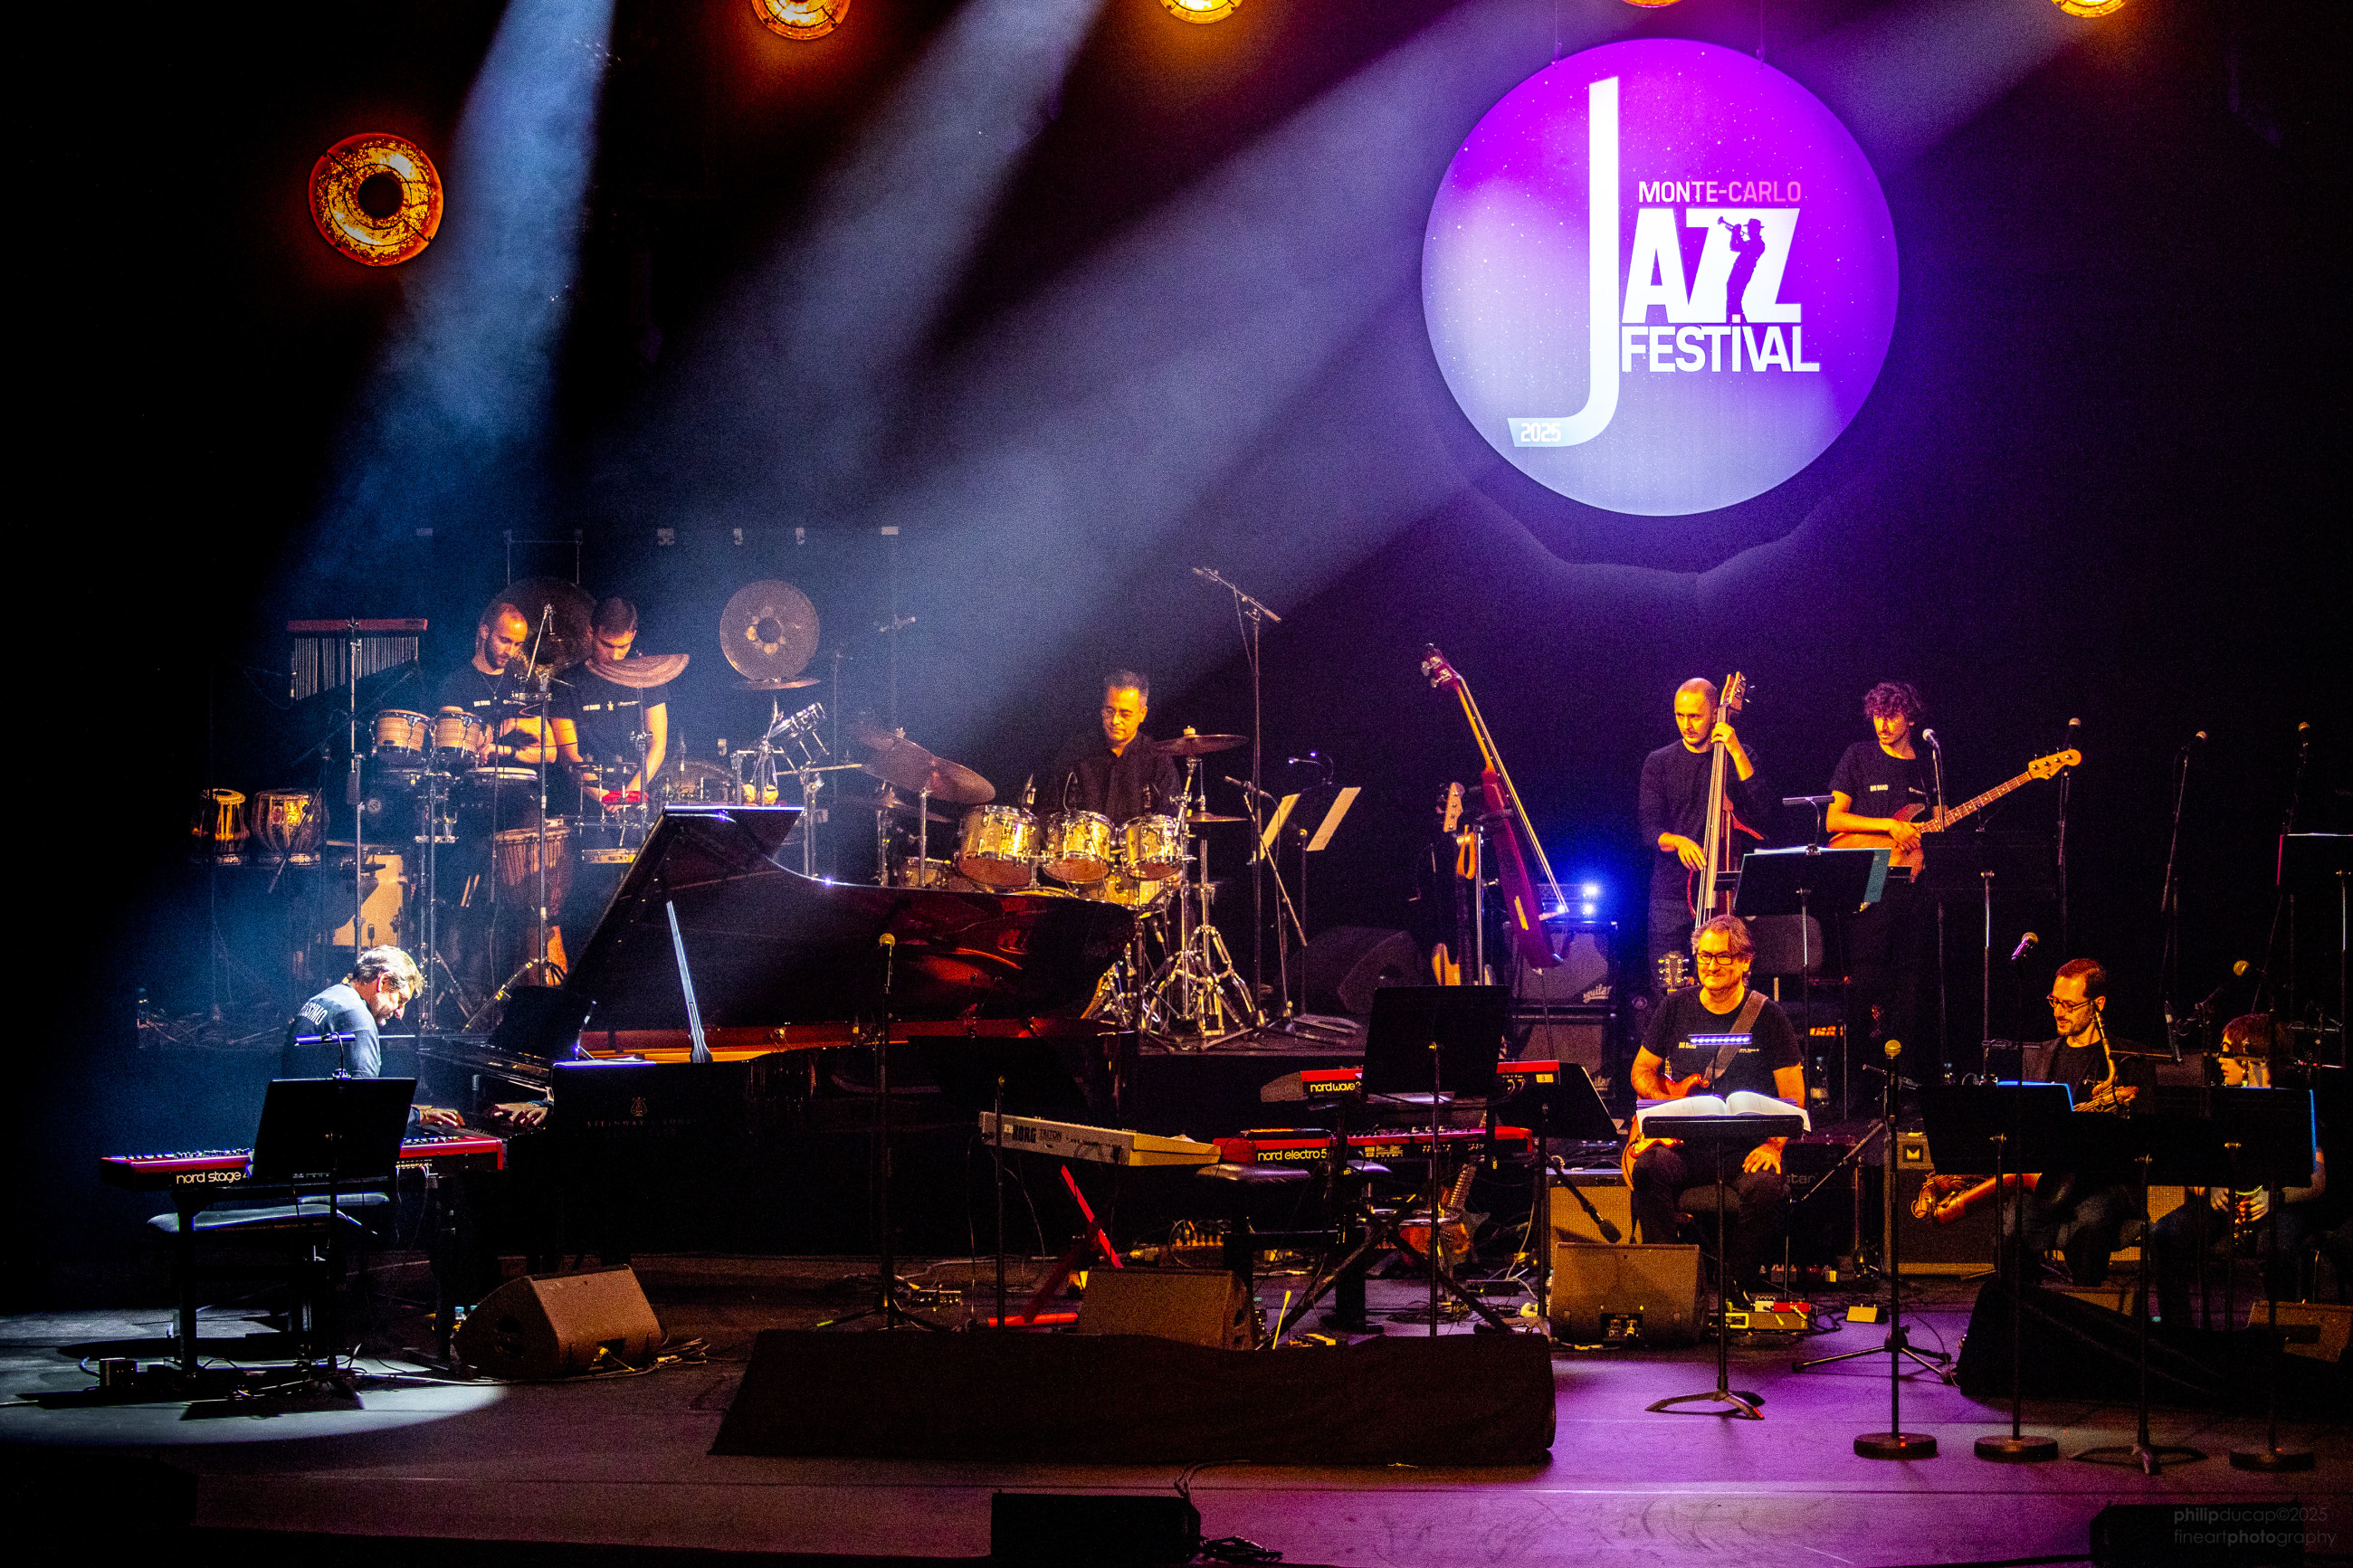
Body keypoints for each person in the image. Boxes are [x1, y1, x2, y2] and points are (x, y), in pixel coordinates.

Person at [1627, 915, 1806, 1300]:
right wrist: (1668, 1099)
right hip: (1687, 1147)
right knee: (1648, 1170)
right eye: (1704, 956)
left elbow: (1793, 1095)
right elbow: (1641, 1071)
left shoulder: (1768, 1015)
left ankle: (1734, 1285)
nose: (1710, 965)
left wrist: (1773, 1145)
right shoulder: (1674, 1007)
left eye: (1722, 957)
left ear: (1745, 961)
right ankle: (1671, 1286)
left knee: (1767, 1188)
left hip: (1745, 1149)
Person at [2150, 1014, 2328, 1326]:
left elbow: (2318, 1180)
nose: (2220, 1060)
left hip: (2275, 1203)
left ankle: (2277, 1334)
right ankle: (2178, 1330)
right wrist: (2209, 1188)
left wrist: (2275, 1198)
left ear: (2253, 1057)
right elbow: (2192, 1167)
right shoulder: (2214, 1101)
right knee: (2165, 1234)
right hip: (2225, 1202)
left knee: (2278, 1248)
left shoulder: (2294, 1102)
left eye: (2227, 1053)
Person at [2007, 957, 2151, 1286]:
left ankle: (2086, 1306)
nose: (2059, 1012)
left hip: (2105, 1180)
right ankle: (2020, 1307)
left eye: (2069, 1005)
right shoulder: (2038, 1056)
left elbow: (2144, 1137)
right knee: (2012, 1229)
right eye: (2054, 1001)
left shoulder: (2131, 1059)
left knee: (2089, 1226)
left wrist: (2118, 1112)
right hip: (2048, 1179)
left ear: (2098, 1004)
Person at [1824, 681, 1936, 1064]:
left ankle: (1905, 1070)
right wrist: (1889, 825)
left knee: (1911, 977)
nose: (1882, 725)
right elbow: (1834, 820)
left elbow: (1939, 824)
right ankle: (1858, 1068)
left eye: (1891, 717)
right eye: (1876, 716)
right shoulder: (1858, 755)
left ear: (1911, 718)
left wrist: (1924, 846)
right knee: (1867, 973)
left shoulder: (1928, 765)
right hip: (1870, 873)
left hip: (1913, 881)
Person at [1636, 678, 1763, 1000]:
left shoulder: (1739, 755)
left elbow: (1765, 811)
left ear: (1715, 714)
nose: (1686, 725)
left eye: (1695, 716)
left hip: (1725, 894)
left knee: (1728, 988)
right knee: (1668, 991)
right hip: (1672, 894)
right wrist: (1678, 841)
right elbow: (1649, 829)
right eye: (1680, 716)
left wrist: (1735, 750)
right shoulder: (1659, 761)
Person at [281, 947, 462, 1126]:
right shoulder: (357, 1018)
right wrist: (417, 1115)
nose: (400, 1013)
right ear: (383, 981)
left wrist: (406, 1109)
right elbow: (365, 1106)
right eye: (400, 1000)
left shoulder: (327, 997)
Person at [552, 597, 670, 796]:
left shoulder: (647, 677)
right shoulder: (566, 683)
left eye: (623, 647)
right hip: (585, 796)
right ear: (591, 632)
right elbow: (568, 754)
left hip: (636, 793)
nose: (615, 656)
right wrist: (603, 796)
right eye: (607, 645)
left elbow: (658, 745)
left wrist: (631, 792)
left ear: (633, 635)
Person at [433, 597, 563, 768]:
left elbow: (550, 753)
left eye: (517, 644)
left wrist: (506, 749)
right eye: (505, 641)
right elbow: (455, 744)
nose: (511, 652)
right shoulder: (456, 683)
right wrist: (508, 725)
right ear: (485, 632)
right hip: (473, 780)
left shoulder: (524, 683)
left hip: (520, 780)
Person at [1047, 670, 1180, 822]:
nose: (1115, 720)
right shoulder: (1076, 752)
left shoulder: (1158, 761)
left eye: (1125, 714)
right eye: (1109, 711)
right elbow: (1049, 812)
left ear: (1142, 714)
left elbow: (1170, 822)